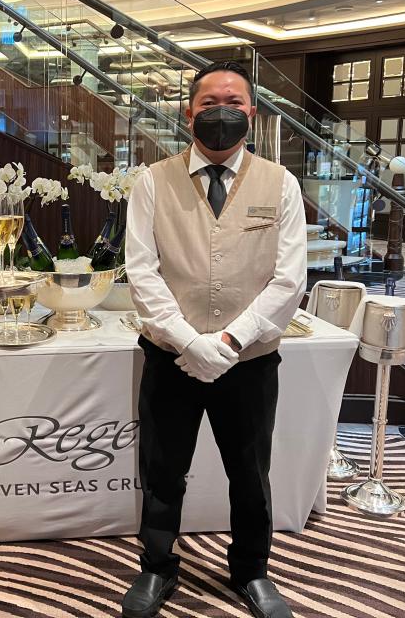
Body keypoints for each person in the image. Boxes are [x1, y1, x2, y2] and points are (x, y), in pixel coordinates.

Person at [121, 60, 307, 618]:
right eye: (208, 104)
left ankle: (251, 570)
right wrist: (187, 342)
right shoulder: (152, 181)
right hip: (170, 359)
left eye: (233, 102)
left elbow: (289, 278)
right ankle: (157, 567)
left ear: (252, 112)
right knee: (162, 470)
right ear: (188, 113)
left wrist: (226, 343)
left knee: (250, 472)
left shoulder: (282, 184)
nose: (220, 112)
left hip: (249, 363)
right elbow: (142, 271)